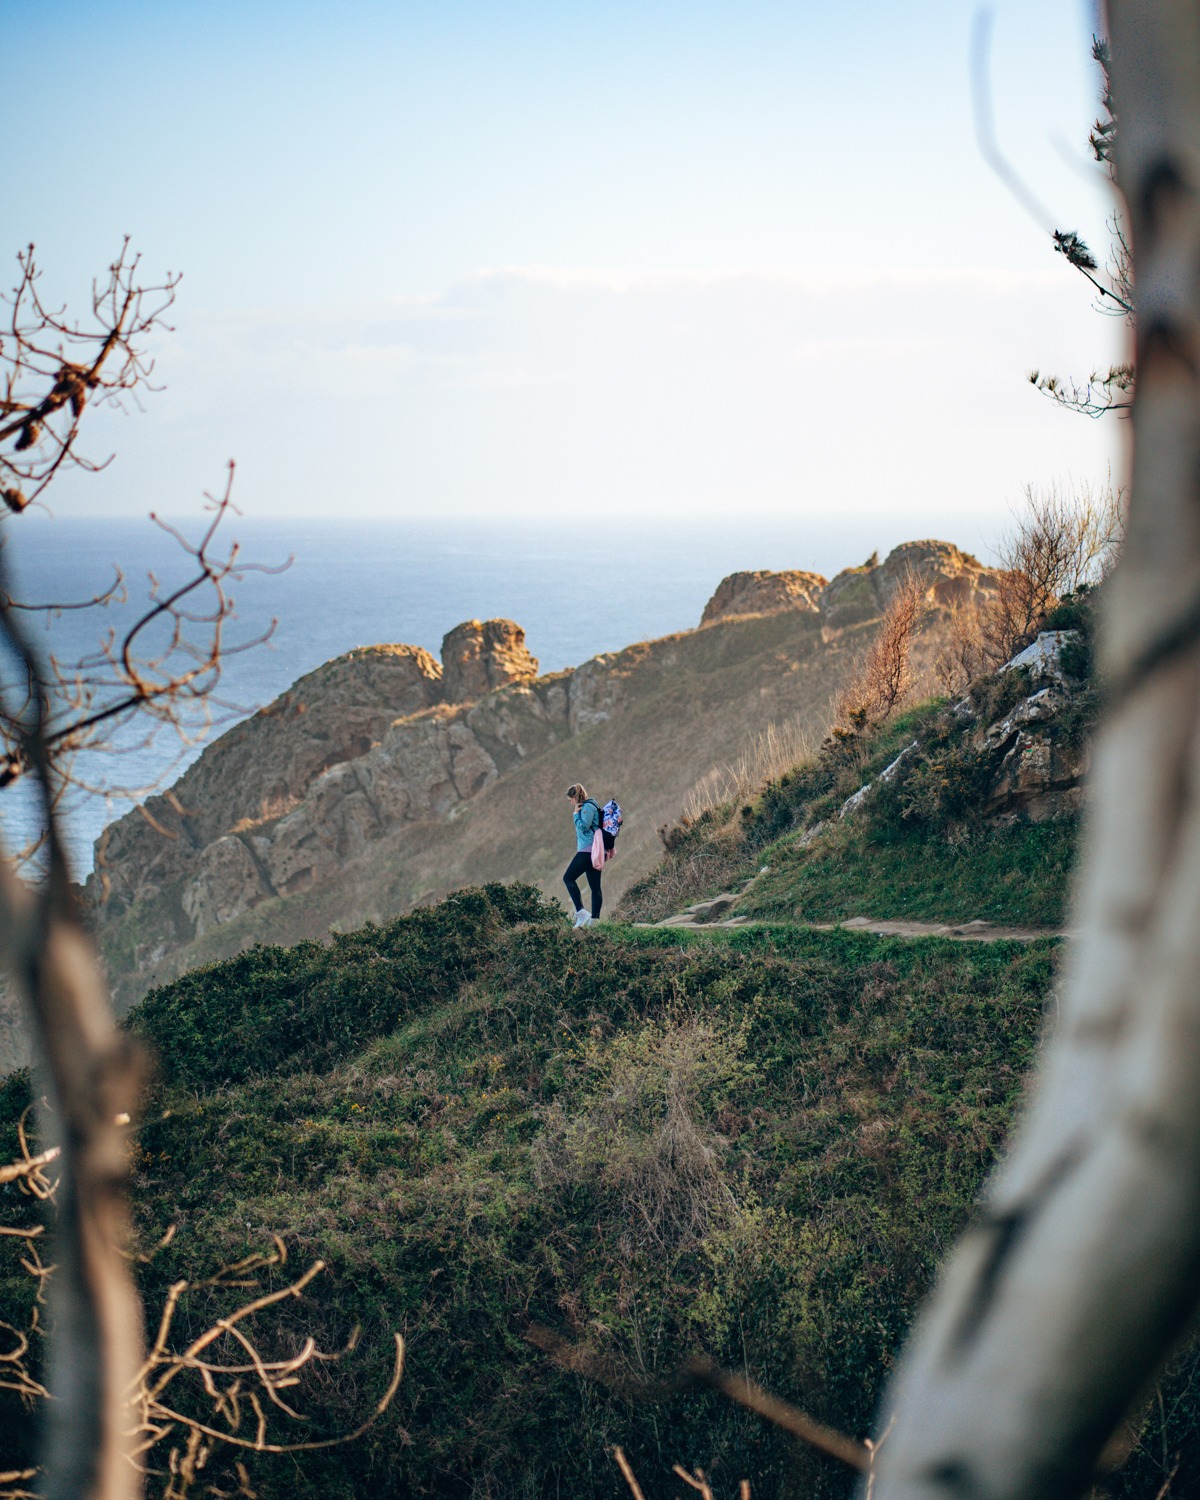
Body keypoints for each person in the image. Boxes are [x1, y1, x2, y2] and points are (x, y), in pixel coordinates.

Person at [563, 783, 603, 928]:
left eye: (570, 800)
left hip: (587, 850)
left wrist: (575, 815)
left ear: (574, 797)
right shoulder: (590, 806)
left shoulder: (587, 807)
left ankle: (581, 912)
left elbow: (584, 826)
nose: (570, 803)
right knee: (595, 887)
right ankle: (595, 921)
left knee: (568, 878)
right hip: (593, 851)